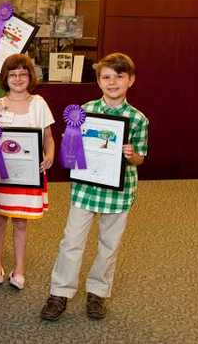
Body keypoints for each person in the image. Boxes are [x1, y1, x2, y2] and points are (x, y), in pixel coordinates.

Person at [40, 52, 148, 321]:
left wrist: (131, 154)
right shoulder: (84, 112)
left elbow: (140, 158)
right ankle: (60, 292)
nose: (112, 82)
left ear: (130, 80)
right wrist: (71, 143)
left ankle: (97, 292)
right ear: (99, 81)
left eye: (119, 76)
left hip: (118, 193)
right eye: (106, 77)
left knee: (109, 245)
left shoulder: (138, 119)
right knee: (71, 241)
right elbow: (72, 152)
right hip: (86, 189)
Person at [0, 54, 55, 290]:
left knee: (21, 224)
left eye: (23, 73)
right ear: (5, 77)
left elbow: (48, 138)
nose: (18, 78)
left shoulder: (39, 103)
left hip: (28, 176)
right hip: (2, 176)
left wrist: (50, 155)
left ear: (30, 76)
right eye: (12, 74)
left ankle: (20, 269)